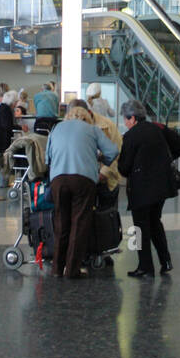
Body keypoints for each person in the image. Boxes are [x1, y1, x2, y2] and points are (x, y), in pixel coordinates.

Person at [46, 102, 119, 278]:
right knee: (79, 224)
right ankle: (72, 270)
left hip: (58, 180)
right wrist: (100, 159)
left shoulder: (56, 128)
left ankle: (56, 269)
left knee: (61, 223)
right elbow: (113, 151)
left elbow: (47, 158)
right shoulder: (93, 130)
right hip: (83, 180)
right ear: (87, 117)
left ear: (68, 116)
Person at [117, 100, 180, 277]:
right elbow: (179, 145)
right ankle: (166, 261)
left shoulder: (131, 136)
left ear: (132, 118)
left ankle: (145, 266)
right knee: (155, 222)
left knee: (140, 227)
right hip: (162, 185)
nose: (125, 122)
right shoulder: (158, 128)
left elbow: (124, 167)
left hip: (141, 188)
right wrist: (164, 159)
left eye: (125, 119)